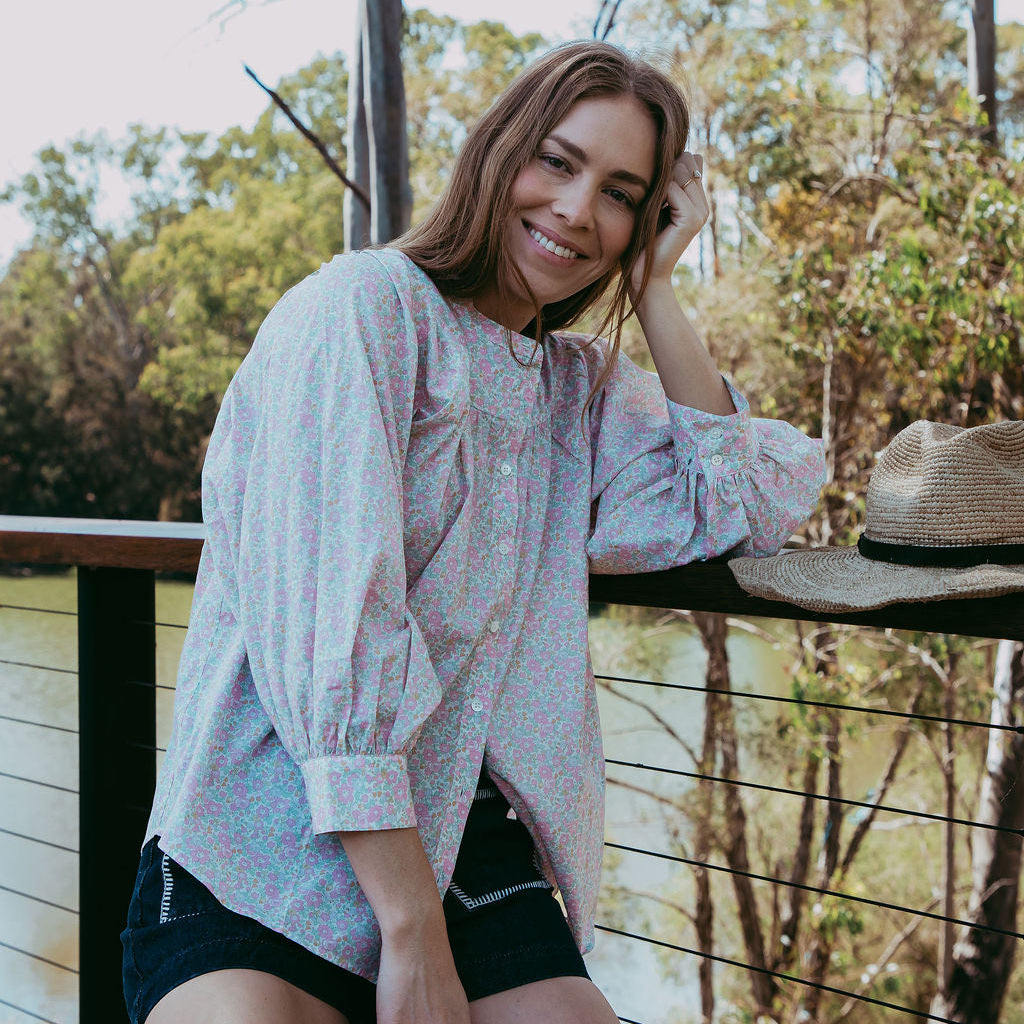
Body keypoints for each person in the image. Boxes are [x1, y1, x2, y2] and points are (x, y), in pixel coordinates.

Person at [121, 40, 825, 1024]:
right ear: (499, 151)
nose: (576, 210)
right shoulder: (361, 310)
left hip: (467, 840)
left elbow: (737, 501)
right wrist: (411, 932)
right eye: (558, 161)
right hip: (267, 834)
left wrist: (657, 288)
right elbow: (336, 638)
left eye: (621, 195)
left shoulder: (574, 392)